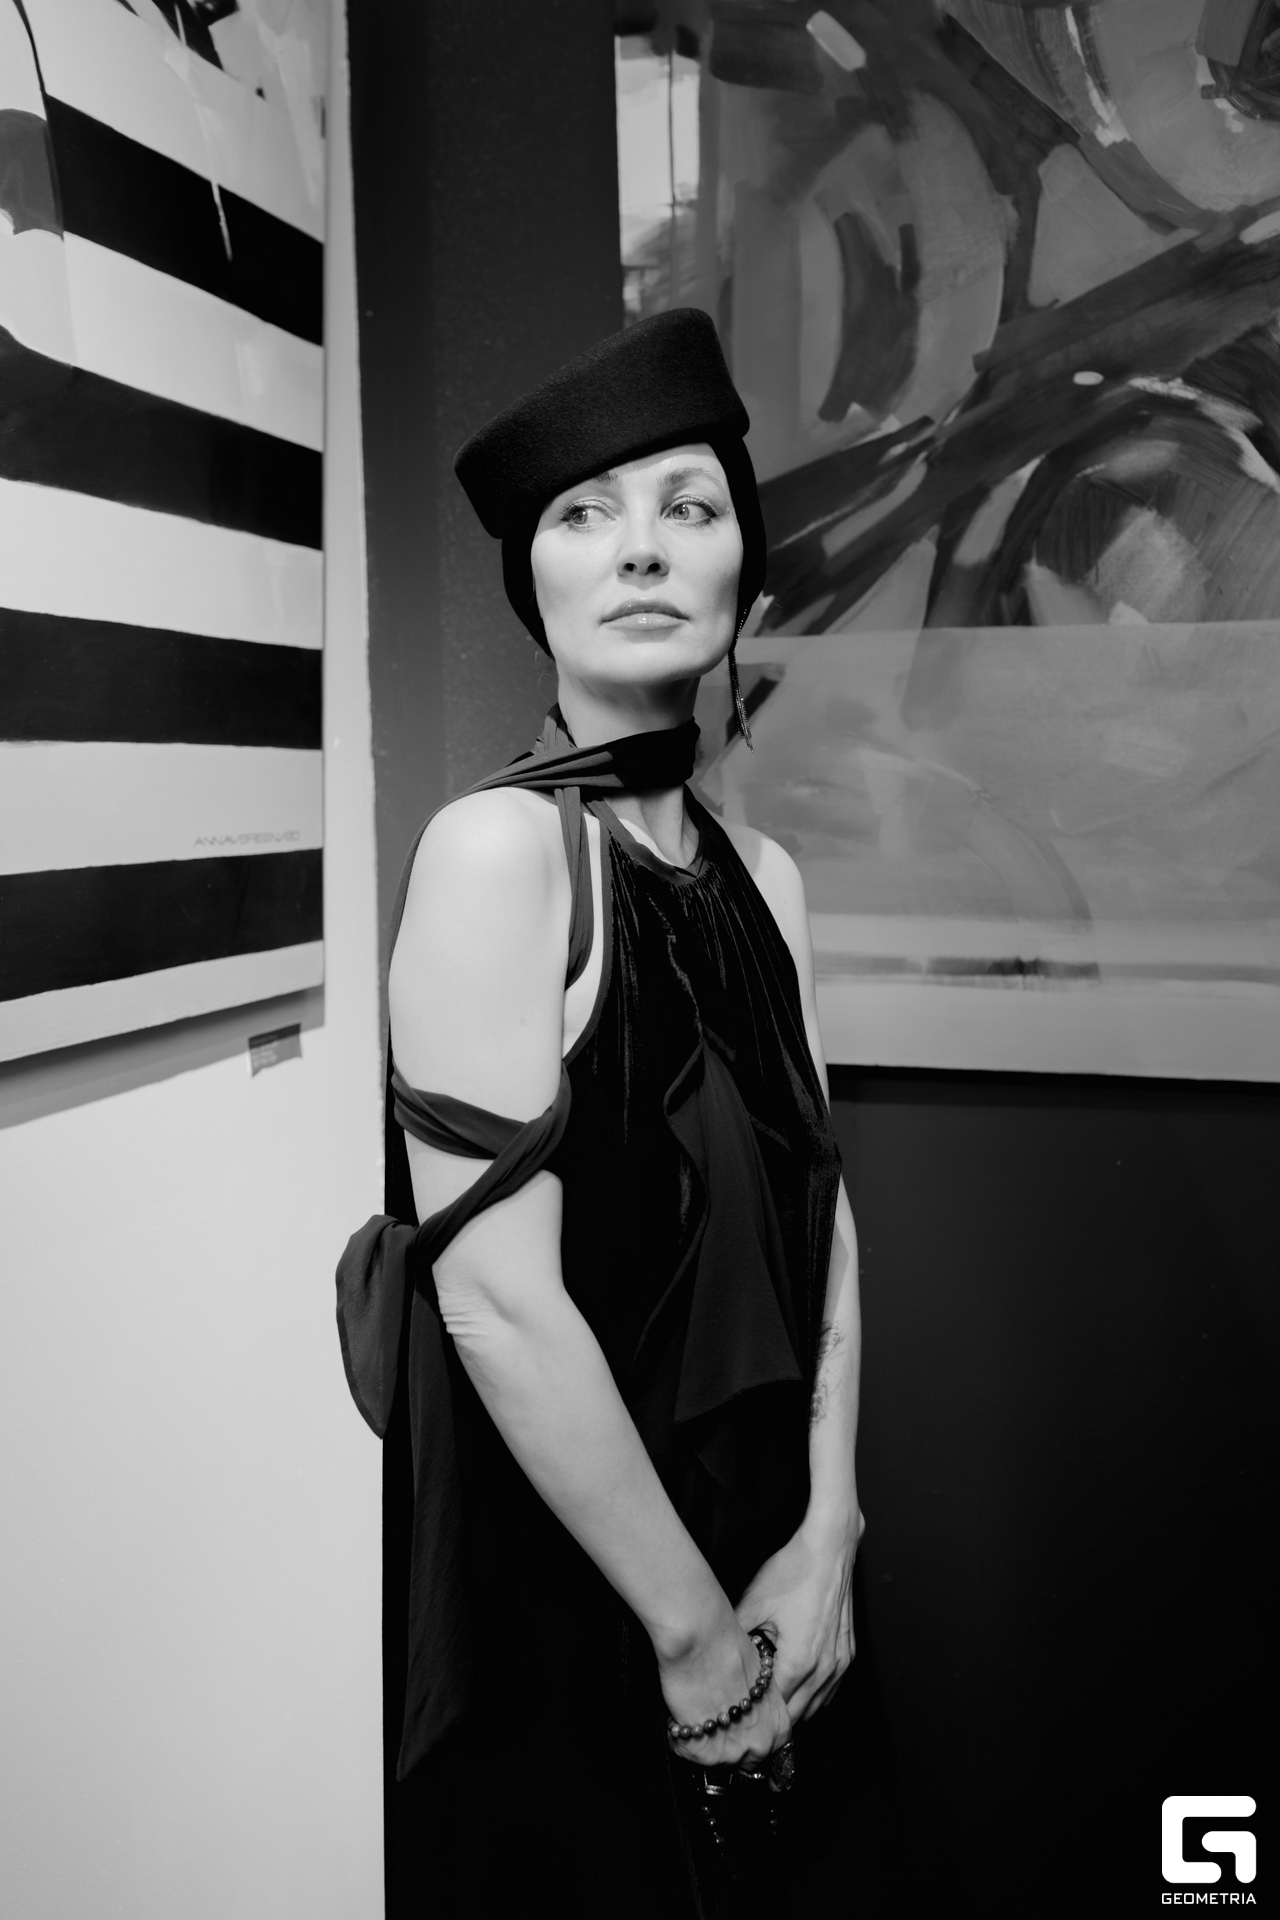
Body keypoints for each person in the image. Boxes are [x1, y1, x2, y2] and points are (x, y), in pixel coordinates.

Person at [339, 309, 864, 1918]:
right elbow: (495, 1303)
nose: (641, 546)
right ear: (537, 585)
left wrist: (832, 1529)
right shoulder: (498, 851)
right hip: (592, 1602)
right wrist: (696, 1642)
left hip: (775, 1570)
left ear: (740, 573)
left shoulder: (766, 875)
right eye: (586, 513)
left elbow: (825, 1212)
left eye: (688, 507)